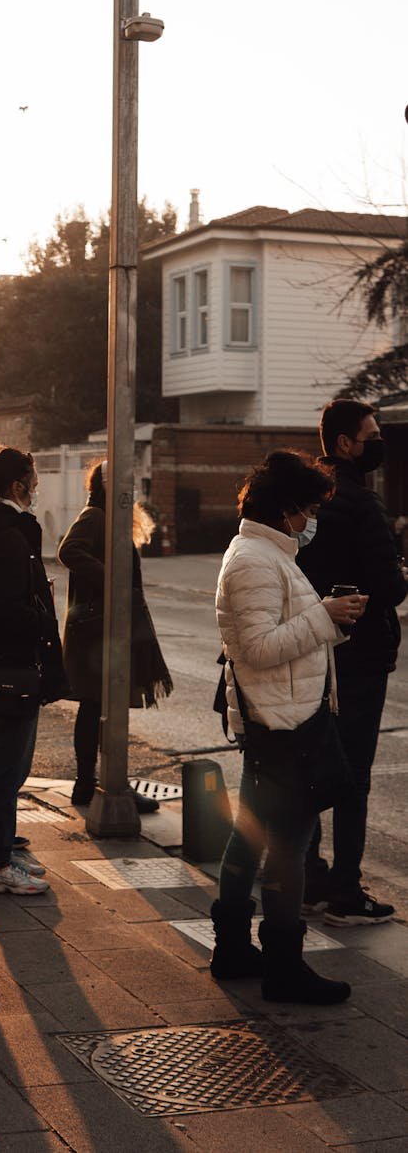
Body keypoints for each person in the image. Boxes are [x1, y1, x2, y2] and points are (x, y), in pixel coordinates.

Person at [213, 449, 365, 1005]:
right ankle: (283, 965)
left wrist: (330, 618)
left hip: (281, 716)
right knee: (288, 846)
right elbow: (255, 649)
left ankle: (232, 948)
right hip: (284, 725)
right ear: (287, 509)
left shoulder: (266, 552)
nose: (314, 519)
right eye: (310, 508)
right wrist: (325, 616)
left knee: (250, 835)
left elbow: (282, 633)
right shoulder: (256, 559)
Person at [297, 399, 406, 925]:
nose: (377, 442)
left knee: (315, 762)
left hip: (314, 650)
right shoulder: (363, 504)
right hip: (359, 654)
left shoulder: (308, 499)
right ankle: (346, 889)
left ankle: (309, 876)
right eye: (371, 434)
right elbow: (389, 587)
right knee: (354, 774)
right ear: (345, 443)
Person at [0, 444, 68, 896]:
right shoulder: (12, 533)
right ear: (16, 486)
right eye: (33, 481)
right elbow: (7, 606)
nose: (36, 489)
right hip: (12, 666)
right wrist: (42, 616)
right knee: (7, 767)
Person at [57, 459, 172, 810]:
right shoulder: (94, 516)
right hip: (98, 631)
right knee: (97, 707)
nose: (131, 489)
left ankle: (102, 781)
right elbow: (68, 550)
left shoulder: (111, 516)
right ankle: (93, 783)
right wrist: (112, 577)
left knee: (103, 707)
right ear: (107, 485)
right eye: (126, 482)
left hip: (109, 628)